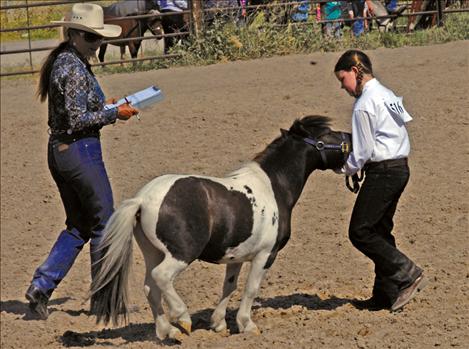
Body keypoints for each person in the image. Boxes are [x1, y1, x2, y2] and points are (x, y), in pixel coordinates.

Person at [25, 3, 139, 319]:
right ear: (74, 35)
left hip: (63, 151)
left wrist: (109, 106)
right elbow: (77, 120)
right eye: (91, 39)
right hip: (80, 151)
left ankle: (42, 286)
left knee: (79, 224)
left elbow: (77, 110)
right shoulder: (73, 68)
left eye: (98, 39)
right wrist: (114, 113)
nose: (96, 45)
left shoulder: (66, 61)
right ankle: (103, 300)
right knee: (105, 221)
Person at [333, 50, 427, 311]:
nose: (343, 86)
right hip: (400, 169)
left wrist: (345, 169)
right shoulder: (389, 95)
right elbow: (399, 129)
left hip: (384, 172)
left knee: (360, 231)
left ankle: (407, 272)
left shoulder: (363, 104)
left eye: (343, 79)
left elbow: (361, 152)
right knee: (380, 231)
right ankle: (385, 295)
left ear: (355, 71)